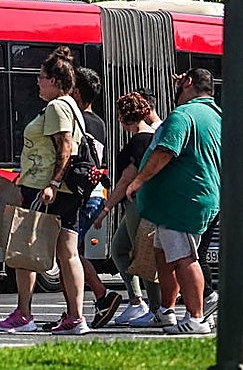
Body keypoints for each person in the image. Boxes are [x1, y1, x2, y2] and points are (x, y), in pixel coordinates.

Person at [0, 46, 88, 335]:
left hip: (47, 189)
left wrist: (52, 183)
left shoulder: (57, 106)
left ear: (55, 81)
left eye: (41, 77)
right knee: (68, 253)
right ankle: (75, 317)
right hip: (65, 189)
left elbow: (65, 147)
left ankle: (24, 314)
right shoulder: (72, 106)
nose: (37, 82)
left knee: (25, 252)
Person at [125, 68, 221, 336]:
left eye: (180, 84)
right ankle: (166, 311)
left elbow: (166, 150)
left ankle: (196, 318)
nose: (175, 89)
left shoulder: (184, 114)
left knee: (183, 257)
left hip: (181, 202)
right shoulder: (215, 115)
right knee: (164, 254)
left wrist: (139, 181)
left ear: (188, 83)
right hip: (190, 199)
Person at [94, 91, 162, 325]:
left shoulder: (139, 141)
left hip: (137, 204)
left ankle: (155, 308)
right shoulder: (155, 136)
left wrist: (105, 210)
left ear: (124, 117)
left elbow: (125, 180)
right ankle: (138, 301)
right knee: (120, 249)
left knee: (143, 256)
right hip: (148, 202)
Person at [71, 66, 121, 329]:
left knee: (68, 253)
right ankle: (78, 307)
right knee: (72, 252)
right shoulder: (99, 122)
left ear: (76, 92)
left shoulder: (78, 120)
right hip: (96, 194)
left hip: (84, 195)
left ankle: (102, 296)